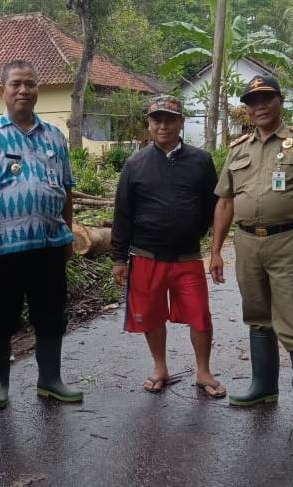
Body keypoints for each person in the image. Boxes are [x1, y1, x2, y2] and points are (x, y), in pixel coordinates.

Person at [0, 59, 82, 409]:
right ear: (3, 90)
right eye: (16, 84)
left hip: (49, 244)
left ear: (37, 90)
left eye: (29, 84)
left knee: (51, 313)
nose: (23, 90)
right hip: (3, 249)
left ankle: (50, 380)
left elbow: (67, 189)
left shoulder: (55, 137)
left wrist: (69, 233)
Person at [211, 75, 293, 429]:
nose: (260, 106)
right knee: (257, 316)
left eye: (266, 98)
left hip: (289, 242)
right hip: (247, 243)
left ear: (279, 101)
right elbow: (225, 202)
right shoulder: (238, 148)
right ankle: (263, 387)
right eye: (253, 101)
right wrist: (214, 251)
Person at [112, 95, 226, 398]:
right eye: (157, 120)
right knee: (150, 315)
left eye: (170, 120)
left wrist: (214, 248)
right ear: (149, 125)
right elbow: (122, 213)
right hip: (146, 256)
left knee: (200, 314)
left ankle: (203, 371)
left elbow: (214, 207)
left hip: (187, 256)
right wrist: (119, 258)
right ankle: (160, 367)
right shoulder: (135, 164)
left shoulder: (201, 161)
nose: (163, 126)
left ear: (181, 123)